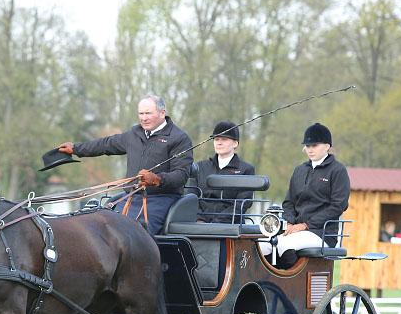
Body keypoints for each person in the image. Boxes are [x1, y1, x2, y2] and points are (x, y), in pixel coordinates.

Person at [58, 95, 193, 235]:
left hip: (162, 200)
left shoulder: (179, 138)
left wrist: (157, 179)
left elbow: (181, 175)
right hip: (131, 197)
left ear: (162, 113)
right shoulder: (134, 133)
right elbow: (105, 145)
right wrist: (76, 149)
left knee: (137, 233)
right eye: (141, 113)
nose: (144, 118)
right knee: (103, 227)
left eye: (148, 113)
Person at [260, 122, 350, 268]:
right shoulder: (299, 170)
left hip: (322, 233)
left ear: (327, 146)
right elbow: (289, 202)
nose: (310, 149)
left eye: (314, 145)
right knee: (263, 244)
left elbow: (338, 205)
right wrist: (288, 222)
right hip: (295, 229)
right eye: (308, 146)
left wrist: (306, 225)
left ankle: (289, 285)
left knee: (283, 245)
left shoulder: (338, 170)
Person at [194, 120, 256, 223]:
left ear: (235, 143)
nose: (219, 143)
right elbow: (192, 197)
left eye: (224, 139)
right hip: (199, 224)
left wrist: (217, 223)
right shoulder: (200, 166)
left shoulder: (246, 170)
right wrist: (200, 219)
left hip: (230, 226)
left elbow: (242, 203)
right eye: (216, 139)